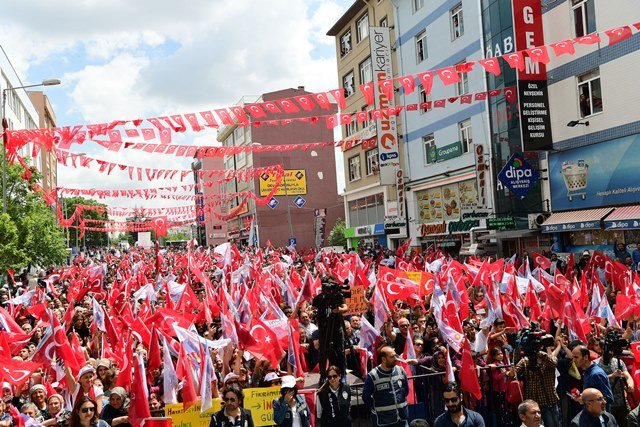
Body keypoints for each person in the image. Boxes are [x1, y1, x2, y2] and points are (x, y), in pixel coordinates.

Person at [509, 344, 560, 427]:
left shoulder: (548, 359)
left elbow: (554, 363)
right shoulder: (525, 360)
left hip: (548, 402)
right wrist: (511, 373)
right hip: (532, 404)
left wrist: (538, 352)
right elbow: (514, 374)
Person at [362, 346, 409, 427]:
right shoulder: (373, 376)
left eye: (395, 355)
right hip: (383, 421)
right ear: (383, 359)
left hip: (402, 419)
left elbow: (406, 391)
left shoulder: (400, 370)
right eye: (392, 357)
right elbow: (366, 397)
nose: (395, 359)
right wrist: (376, 408)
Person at [572, 345, 614, 411]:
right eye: (573, 357)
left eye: (576, 357)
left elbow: (608, 398)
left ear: (585, 357)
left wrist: (584, 400)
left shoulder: (597, 374)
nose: (574, 360)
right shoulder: (587, 372)